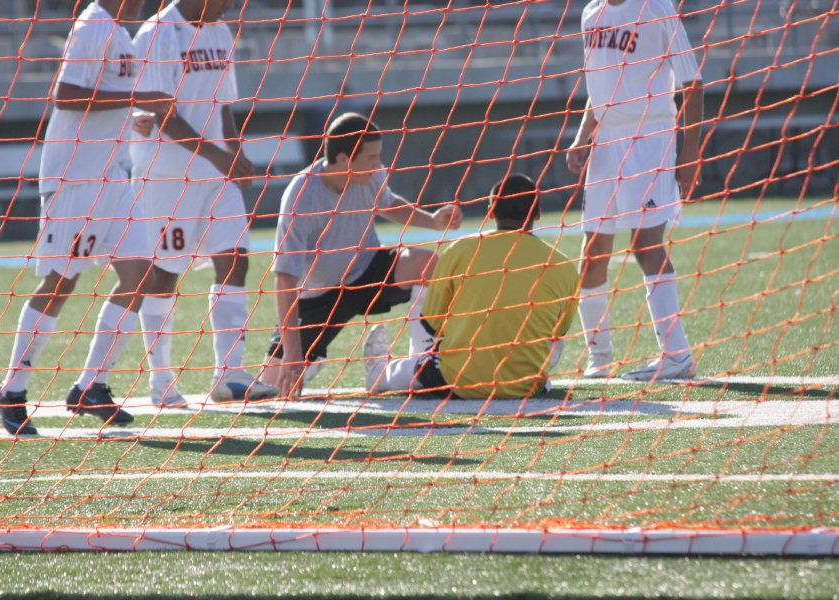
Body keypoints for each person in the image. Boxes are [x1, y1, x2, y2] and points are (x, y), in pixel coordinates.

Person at [0, 0, 175, 436]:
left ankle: (91, 386)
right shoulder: (94, 24)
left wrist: (133, 118)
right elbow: (66, 94)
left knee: (142, 274)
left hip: (111, 176)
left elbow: (101, 97)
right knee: (60, 282)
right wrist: (137, 98)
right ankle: (12, 391)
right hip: (74, 178)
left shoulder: (119, 30)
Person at [130, 0, 279, 406]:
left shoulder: (219, 31)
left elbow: (223, 105)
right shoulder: (156, 34)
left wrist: (235, 152)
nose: (231, 7)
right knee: (163, 275)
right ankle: (161, 383)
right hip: (166, 176)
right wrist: (218, 155)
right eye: (226, 0)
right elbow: (163, 114)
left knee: (236, 257)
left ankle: (229, 376)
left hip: (215, 176)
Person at [263, 112, 463, 398]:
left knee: (426, 263)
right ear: (344, 159)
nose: (379, 164)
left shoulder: (370, 174)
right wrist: (293, 351)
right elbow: (285, 279)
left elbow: (388, 203)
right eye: (371, 157)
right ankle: (309, 361)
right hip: (319, 298)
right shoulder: (300, 198)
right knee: (276, 388)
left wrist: (433, 220)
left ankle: (421, 364)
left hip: (368, 271)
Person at [566, 0, 703, 381]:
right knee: (592, 253)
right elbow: (600, 89)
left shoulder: (656, 7)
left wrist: (690, 153)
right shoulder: (590, 13)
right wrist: (582, 138)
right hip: (605, 144)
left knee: (645, 244)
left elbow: (693, 83)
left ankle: (677, 357)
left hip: (650, 138)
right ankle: (600, 359)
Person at [365, 174, 580, 399]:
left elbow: (431, 324)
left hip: (457, 377)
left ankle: (379, 372)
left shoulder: (459, 250)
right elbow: (559, 332)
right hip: (525, 383)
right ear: (538, 213)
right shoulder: (564, 265)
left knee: (403, 373)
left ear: (490, 212)